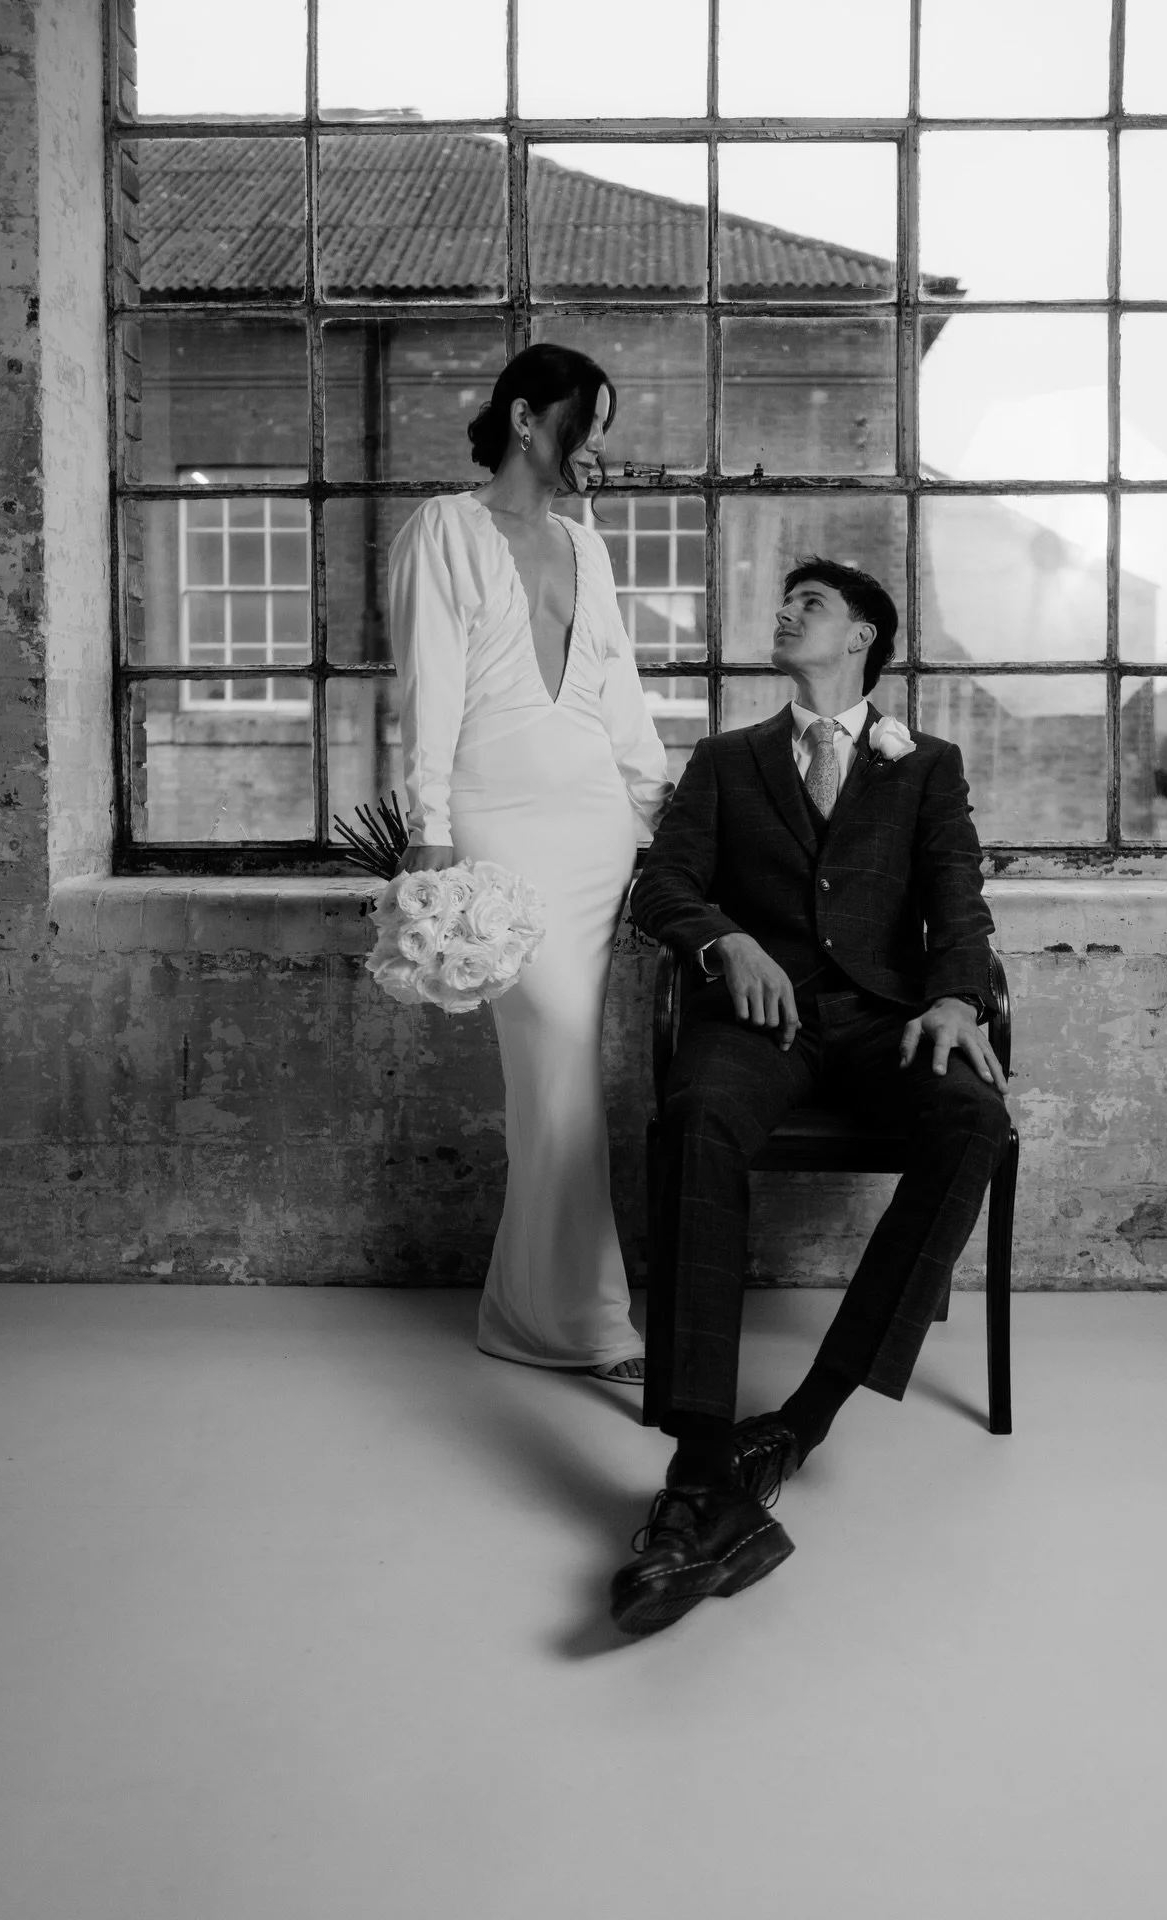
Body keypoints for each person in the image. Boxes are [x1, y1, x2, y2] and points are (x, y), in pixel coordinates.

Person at [609, 557, 1012, 1632]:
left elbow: (958, 901)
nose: (786, 614)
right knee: (697, 1118)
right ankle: (701, 1470)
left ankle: (803, 1420)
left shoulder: (927, 765)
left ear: (864, 636)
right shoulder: (726, 759)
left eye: (812, 605)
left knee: (975, 1118)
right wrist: (725, 941)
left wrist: (957, 999)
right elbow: (661, 886)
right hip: (761, 1022)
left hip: (885, 1021)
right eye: (785, 604)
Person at [388, 344, 673, 1383]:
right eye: (585, 424)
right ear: (524, 418)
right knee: (555, 1058)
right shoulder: (443, 530)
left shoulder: (586, 545)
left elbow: (618, 693)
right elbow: (428, 686)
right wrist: (429, 827)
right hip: (496, 821)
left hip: (597, 828)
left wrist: (656, 817)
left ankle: (534, 1309)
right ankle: (578, 1319)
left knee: (570, 1065)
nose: (597, 448)